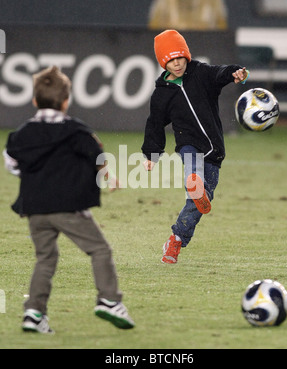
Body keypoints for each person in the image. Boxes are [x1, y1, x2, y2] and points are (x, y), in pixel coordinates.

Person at [4, 66, 135, 333]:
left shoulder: (22, 133)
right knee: (99, 250)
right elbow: (96, 154)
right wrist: (108, 177)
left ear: (33, 100)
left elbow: (11, 163)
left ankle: (34, 313)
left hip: (35, 209)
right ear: (66, 101)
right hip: (68, 207)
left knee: (45, 258)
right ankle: (109, 300)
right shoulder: (76, 130)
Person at [142, 30, 249, 264]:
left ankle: (176, 239)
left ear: (186, 56)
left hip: (215, 152)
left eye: (179, 57)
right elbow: (155, 124)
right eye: (170, 59)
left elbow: (219, 73)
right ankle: (194, 180)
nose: (176, 63)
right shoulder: (161, 94)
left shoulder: (200, 73)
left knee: (199, 203)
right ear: (163, 61)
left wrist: (235, 72)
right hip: (188, 144)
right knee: (193, 168)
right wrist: (151, 154)